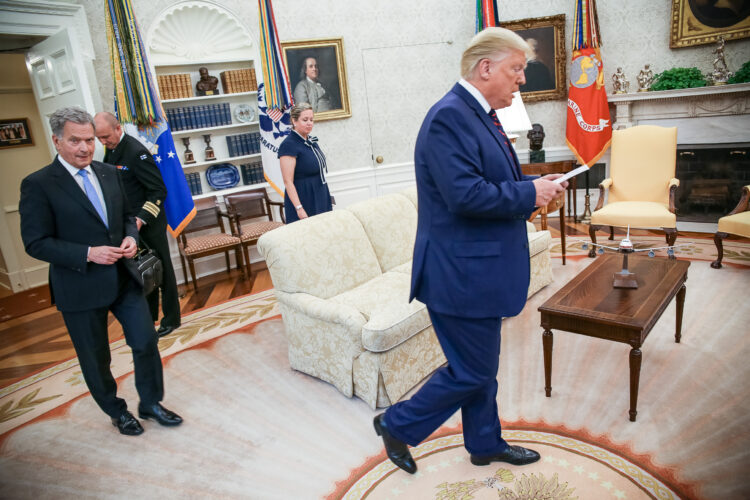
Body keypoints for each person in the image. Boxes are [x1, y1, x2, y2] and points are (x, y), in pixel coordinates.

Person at [372, 27, 566, 474]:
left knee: (477, 366)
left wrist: (534, 190)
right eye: (516, 69)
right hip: (458, 275)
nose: (521, 80)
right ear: (486, 68)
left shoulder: (479, 114)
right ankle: (396, 424)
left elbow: (490, 182)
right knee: (473, 371)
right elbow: (465, 195)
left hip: (476, 271)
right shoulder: (449, 116)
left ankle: (483, 443)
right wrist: (526, 195)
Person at [19, 107, 182, 436]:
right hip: (79, 287)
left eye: (90, 140)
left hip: (124, 279)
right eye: (75, 141)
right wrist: (87, 253)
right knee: (96, 359)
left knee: (145, 340)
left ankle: (150, 402)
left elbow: (125, 216)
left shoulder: (108, 172)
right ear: (57, 141)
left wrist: (130, 237)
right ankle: (116, 411)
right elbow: (35, 243)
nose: (85, 148)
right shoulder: (38, 185)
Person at [94, 112, 181, 338]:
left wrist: (141, 219)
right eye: (99, 138)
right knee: (142, 271)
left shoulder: (136, 152)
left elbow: (158, 190)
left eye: (105, 137)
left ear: (118, 129)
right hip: (129, 226)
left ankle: (172, 318)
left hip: (148, 223)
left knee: (163, 271)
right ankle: (149, 318)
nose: (103, 142)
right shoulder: (111, 150)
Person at [278, 103, 333, 223]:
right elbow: (288, 181)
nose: (309, 123)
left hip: (320, 193)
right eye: (305, 120)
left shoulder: (311, 141)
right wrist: (299, 208)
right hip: (304, 197)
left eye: (311, 120)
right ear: (294, 121)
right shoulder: (288, 145)